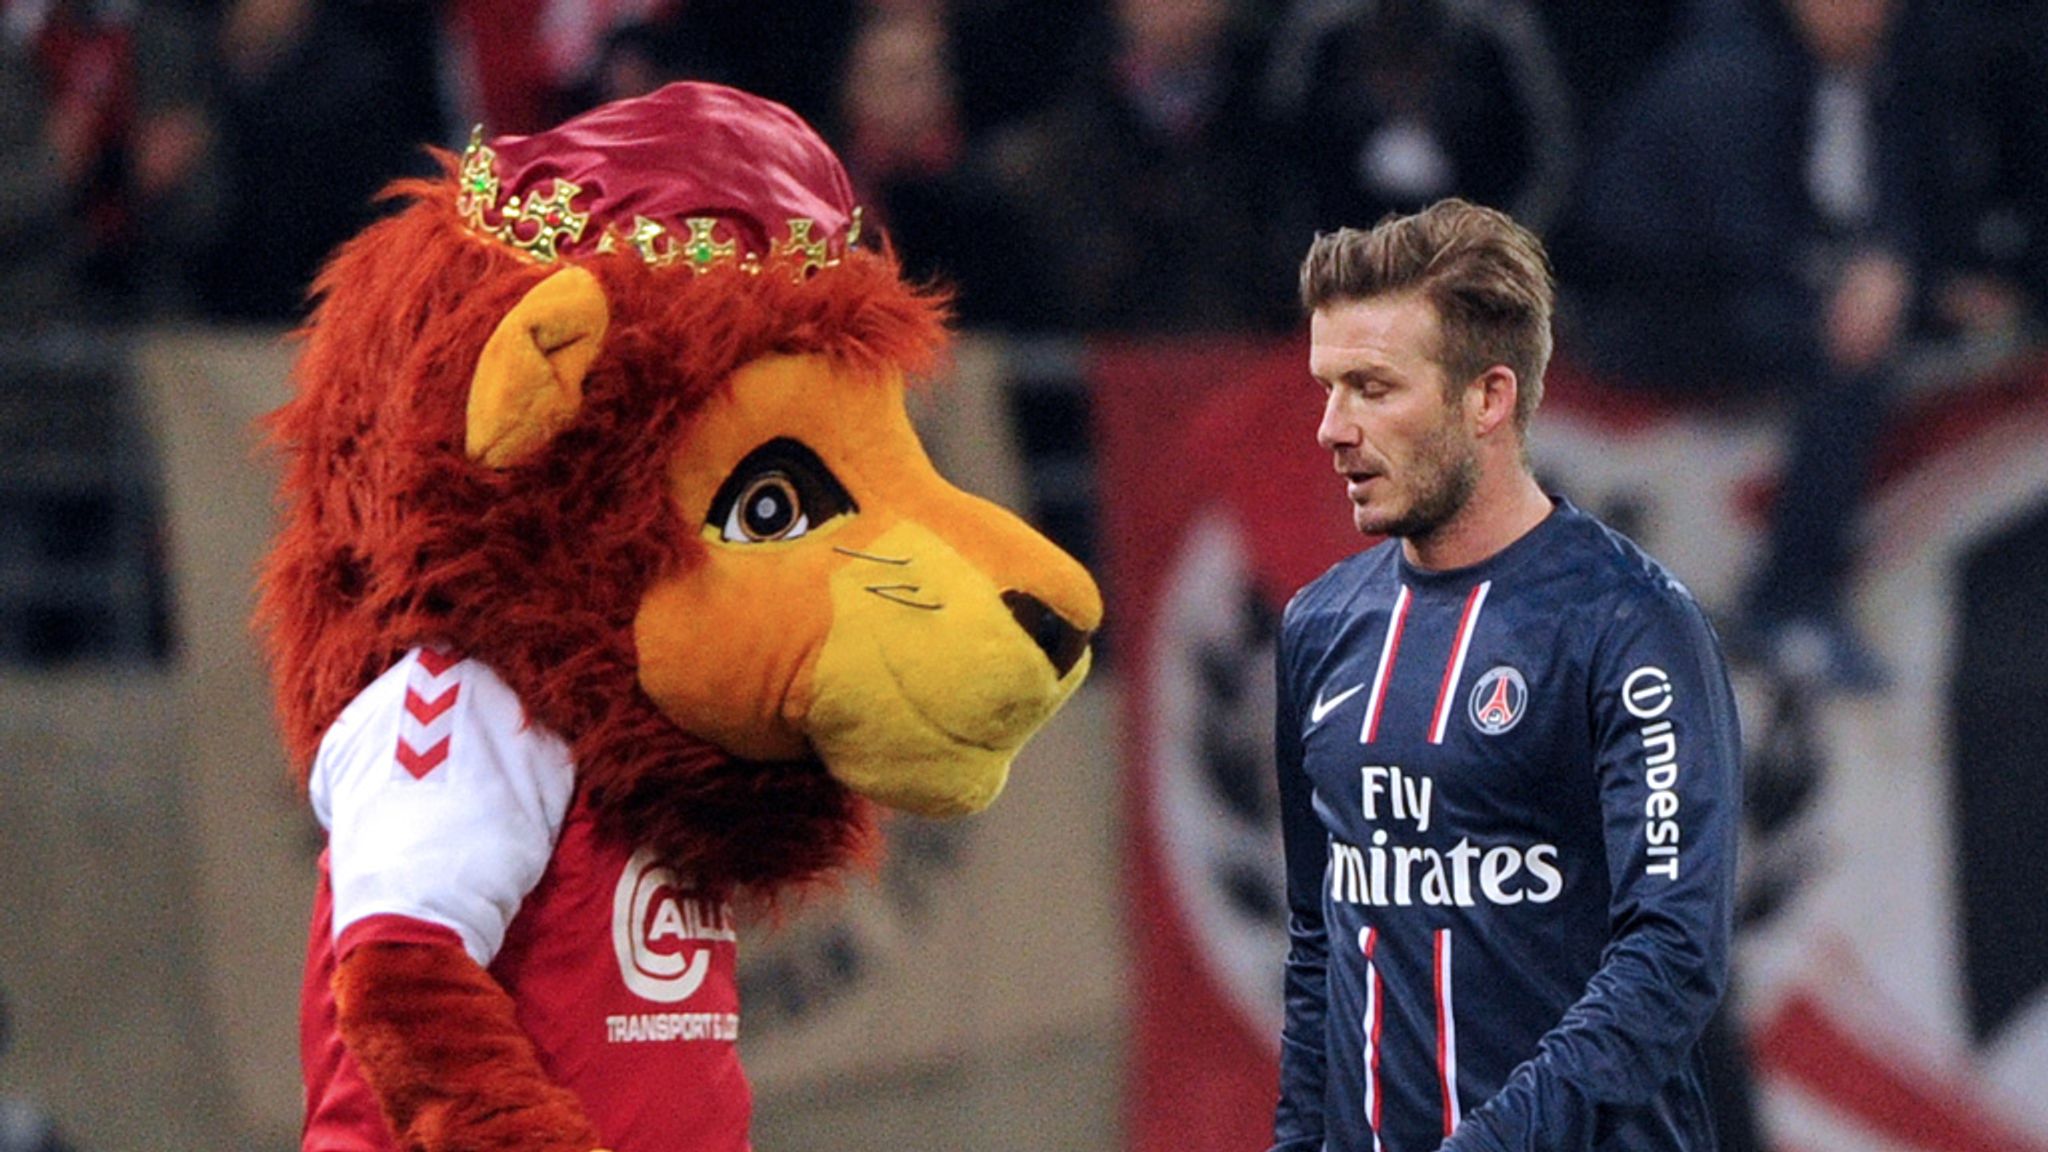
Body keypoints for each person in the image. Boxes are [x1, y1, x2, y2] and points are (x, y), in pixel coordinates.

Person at [1271, 199, 1741, 1152]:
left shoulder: (1631, 625)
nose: (1331, 427)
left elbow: (1672, 956)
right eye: (1328, 387)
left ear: (1487, 399)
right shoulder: (1318, 628)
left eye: (1372, 387)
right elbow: (1321, 939)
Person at [1557, 0, 1939, 692]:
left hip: (1759, 289)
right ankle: (1791, 599)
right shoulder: (1733, 72)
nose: (1877, 15)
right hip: (1650, 313)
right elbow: (1740, 236)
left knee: (1884, 332)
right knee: (1847, 358)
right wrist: (1837, 296)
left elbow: (1889, 208)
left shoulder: (1864, 81)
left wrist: (1889, 267)